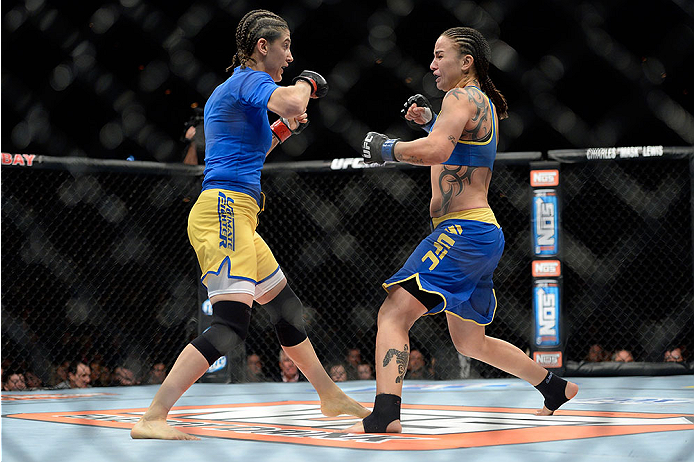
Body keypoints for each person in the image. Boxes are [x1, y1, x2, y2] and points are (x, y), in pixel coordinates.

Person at [131, 9, 367, 440]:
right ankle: (152, 417)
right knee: (229, 325)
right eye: (286, 46)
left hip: (239, 215)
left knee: (286, 310)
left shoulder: (245, 92)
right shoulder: (247, 80)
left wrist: (283, 131)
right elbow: (295, 99)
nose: (290, 57)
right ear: (263, 47)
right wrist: (308, 85)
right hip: (223, 210)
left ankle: (329, 395)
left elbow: (252, 151)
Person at [348, 26, 578, 433]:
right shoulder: (478, 102)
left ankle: (385, 413)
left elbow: (438, 151)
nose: (432, 64)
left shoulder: (459, 96)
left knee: (393, 313)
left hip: (462, 230)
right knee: (471, 342)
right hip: (480, 233)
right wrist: (430, 122)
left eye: (440, 56)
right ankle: (553, 387)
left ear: (466, 61)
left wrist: (384, 149)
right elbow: (455, 149)